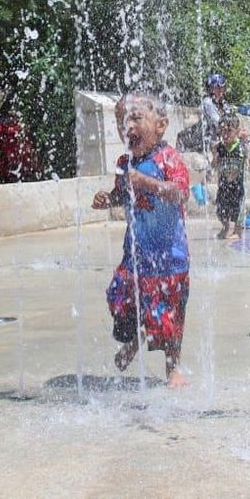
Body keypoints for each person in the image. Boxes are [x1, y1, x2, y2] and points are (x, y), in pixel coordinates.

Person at [92, 93, 191, 388]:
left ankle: (173, 368)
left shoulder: (168, 158)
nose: (128, 127)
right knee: (122, 301)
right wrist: (108, 198)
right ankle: (134, 339)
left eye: (136, 118)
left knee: (169, 314)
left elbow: (180, 193)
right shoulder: (125, 162)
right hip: (134, 254)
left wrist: (146, 183)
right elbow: (122, 192)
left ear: (160, 125)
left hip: (169, 257)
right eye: (122, 121)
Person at [212, 114, 250, 240]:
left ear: (237, 132)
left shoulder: (243, 147)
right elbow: (214, 164)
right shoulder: (219, 147)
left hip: (238, 187)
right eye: (222, 131)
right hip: (223, 186)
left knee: (238, 211)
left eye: (229, 131)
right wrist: (214, 156)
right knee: (220, 210)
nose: (225, 134)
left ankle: (237, 232)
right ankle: (225, 227)